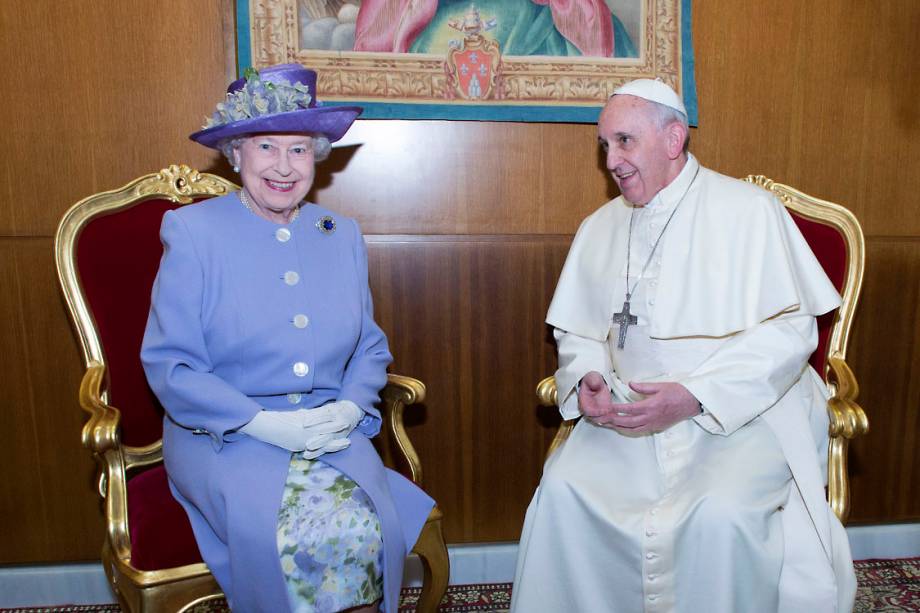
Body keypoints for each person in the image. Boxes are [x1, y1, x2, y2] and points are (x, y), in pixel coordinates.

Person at [511, 78, 857, 612]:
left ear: (673, 139)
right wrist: (589, 379)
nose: (611, 160)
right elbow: (577, 331)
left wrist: (696, 395)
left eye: (624, 141)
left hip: (744, 411)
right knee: (563, 492)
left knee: (721, 513)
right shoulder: (599, 227)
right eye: (605, 145)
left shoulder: (750, 211)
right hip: (630, 412)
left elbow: (791, 331)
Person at [141, 63, 434, 613]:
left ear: (317, 157)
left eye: (299, 149)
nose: (283, 166)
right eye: (266, 146)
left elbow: (369, 347)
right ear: (235, 153)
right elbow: (171, 365)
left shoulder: (340, 234)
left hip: (328, 429)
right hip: (224, 436)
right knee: (290, 539)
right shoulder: (194, 232)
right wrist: (261, 423)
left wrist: (349, 410)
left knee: (368, 526)